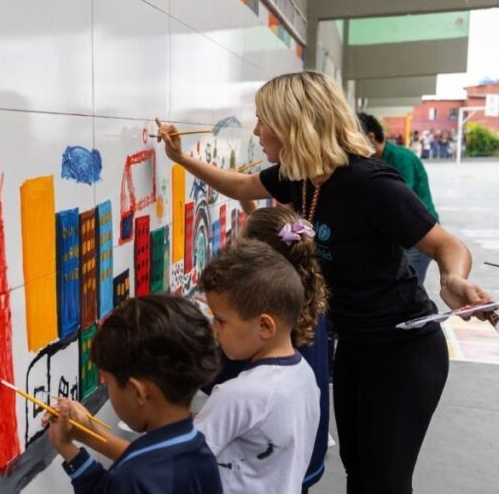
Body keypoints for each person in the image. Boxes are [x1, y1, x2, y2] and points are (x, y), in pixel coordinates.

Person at [156, 70, 497, 493]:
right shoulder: (299, 177)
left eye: (263, 120)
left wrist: (453, 278)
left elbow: (445, 243)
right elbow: (241, 184)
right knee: (358, 471)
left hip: (403, 350)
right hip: (355, 344)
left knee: (384, 482)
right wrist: (181, 159)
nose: (257, 131)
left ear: (292, 123)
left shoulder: (371, 184)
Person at [45, 294, 223, 493]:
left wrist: (67, 445)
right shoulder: (199, 451)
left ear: (138, 392)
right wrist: (70, 445)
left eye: (109, 383)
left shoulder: (135, 476)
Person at [194, 240, 319, 493]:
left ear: (265, 326)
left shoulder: (237, 395)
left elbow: (176, 465)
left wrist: (104, 439)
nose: (214, 329)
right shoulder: (304, 375)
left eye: (220, 320)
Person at [357, 113, 439, 284]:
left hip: (419, 233)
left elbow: (398, 200)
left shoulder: (401, 158)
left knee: (410, 287)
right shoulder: (373, 160)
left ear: (370, 137)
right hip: (399, 234)